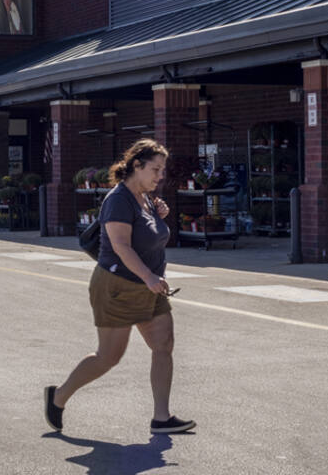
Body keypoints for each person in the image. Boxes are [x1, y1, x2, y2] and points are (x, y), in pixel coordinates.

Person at [44, 138, 194, 436]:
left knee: (163, 345)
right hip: (118, 285)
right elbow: (121, 247)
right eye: (155, 169)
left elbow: (147, 235)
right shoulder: (118, 200)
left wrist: (158, 215)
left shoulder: (147, 199)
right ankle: (58, 397)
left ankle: (161, 418)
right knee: (108, 357)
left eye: (162, 170)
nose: (159, 176)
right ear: (136, 166)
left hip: (148, 285)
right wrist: (149, 277)